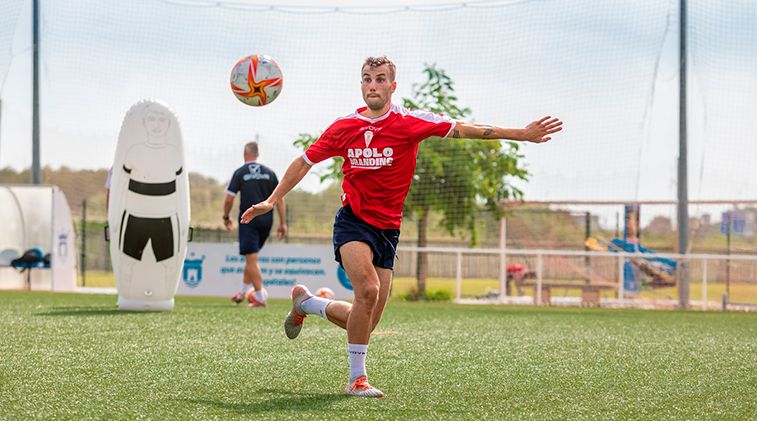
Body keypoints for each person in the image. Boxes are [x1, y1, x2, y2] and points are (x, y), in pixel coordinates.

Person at [240, 56, 562, 397]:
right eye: (367, 79)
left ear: (392, 86)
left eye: (380, 79)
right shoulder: (344, 126)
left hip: (388, 229)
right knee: (368, 291)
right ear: (361, 85)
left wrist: (522, 135)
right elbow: (304, 162)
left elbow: (466, 128)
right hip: (352, 221)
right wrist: (272, 200)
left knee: (365, 320)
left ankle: (307, 304)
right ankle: (356, 380)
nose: (373, 85)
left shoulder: (411, 121)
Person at [225, 141, 287, 307]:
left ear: (245, 154)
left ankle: (260, 296)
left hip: (248, 218)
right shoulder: (269, 173)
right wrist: (283, 223)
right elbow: (280, 199)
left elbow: (229, 198)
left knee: (251, 258)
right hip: (267, 220)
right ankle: (243, 291)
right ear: (257, 154)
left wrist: (226, 216)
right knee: (251, 256)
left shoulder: (240, 172)